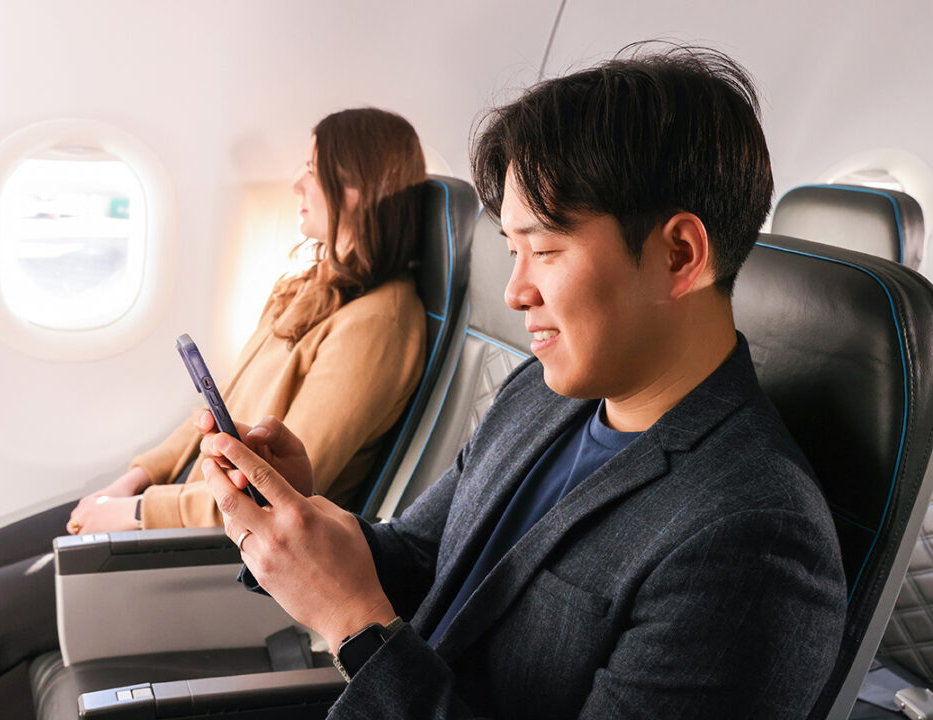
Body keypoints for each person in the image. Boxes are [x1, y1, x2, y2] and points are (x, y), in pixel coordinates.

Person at [197, 46, 848, 718]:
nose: (513, 292)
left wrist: (356, 628)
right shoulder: (540, 394)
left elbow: (373, 618)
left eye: (544, 250)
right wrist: (300, 510)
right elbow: (421, 557)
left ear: (678, 255)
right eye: (512, 251)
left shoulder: (755, 543)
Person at [0, 107, 429, 720]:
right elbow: (215, 411)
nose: (295, 184)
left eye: (311, 169)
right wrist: (136, 476)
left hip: (213, 549)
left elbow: (271, 499)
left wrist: (127, 515)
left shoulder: (379, 324)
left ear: (356, 189)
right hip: (167, 505)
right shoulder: (309, 287)